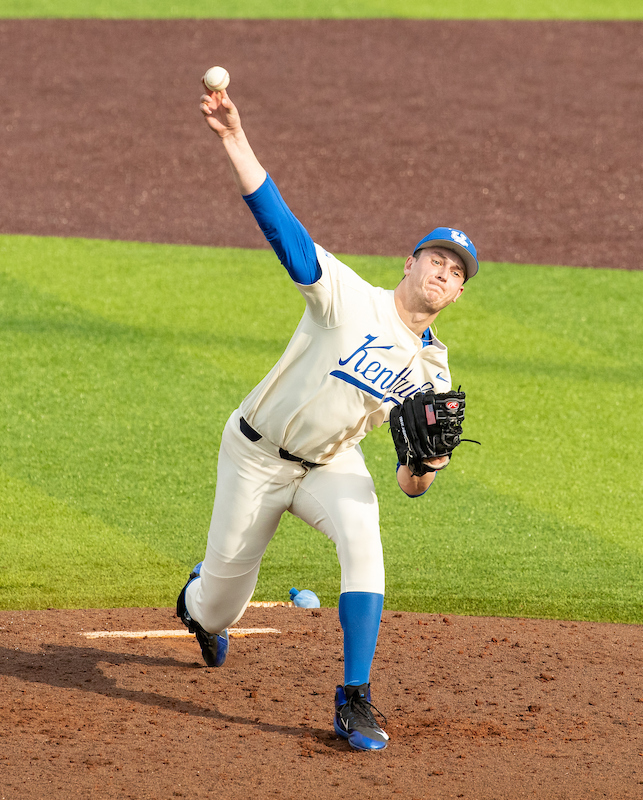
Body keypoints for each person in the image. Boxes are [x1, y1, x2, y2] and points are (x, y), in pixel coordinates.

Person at [175, 78, 479, 752]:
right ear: (409, 264)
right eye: (436, 260)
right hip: (255, 453)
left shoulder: (434, 372)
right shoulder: (347, 295)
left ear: (457, 294)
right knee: (218, 606)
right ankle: (196, 604)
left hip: (329, 465)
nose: (443, 275)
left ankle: (354, 699)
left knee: (365, 545)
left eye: (456, 273)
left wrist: (429, 464)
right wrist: (233, 137)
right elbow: (282, 227)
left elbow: (410, 483)